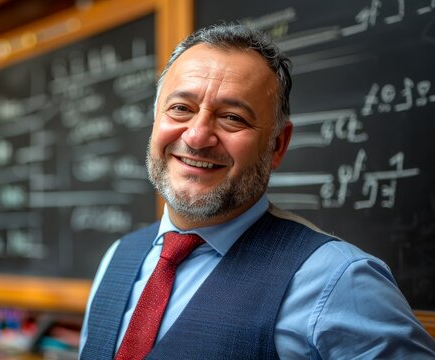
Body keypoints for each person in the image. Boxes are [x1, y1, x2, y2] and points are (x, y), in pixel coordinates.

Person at [79, 24, 435, 359]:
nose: (197, 136)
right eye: (181, 109)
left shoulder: (339, 280)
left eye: (233, 117)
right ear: (156, 121)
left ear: (277, 145)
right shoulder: (117, 258)